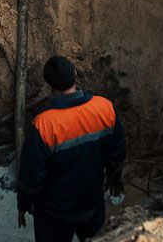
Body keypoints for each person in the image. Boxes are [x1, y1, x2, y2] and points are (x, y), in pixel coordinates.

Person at [17, 56, 125, 242]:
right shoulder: (104, 107)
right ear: (75, 75)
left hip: (54, 213)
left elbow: (31, 175)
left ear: (50, 85)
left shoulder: (43, 125)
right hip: (92, 202)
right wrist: (114, 177)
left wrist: (23, 204)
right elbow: (117, 151)